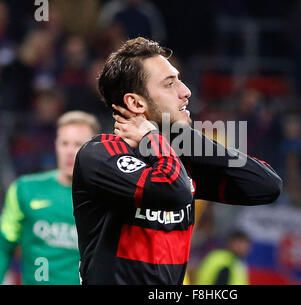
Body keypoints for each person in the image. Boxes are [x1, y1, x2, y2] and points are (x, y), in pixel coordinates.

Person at [72, 37, 283, 285]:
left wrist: (183, 136)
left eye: (179, 80)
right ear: (135, 103)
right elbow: (173, 189)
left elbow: (266, 186)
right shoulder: (100, 155)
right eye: (170, 84)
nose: (186, 91)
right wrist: (154, 137)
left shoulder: (178, 157)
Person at [0, 111, 100, 285]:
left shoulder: (107, 197)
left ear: (95, 149)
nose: (69, 151)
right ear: (56, 145)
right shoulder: (24, 190)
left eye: (78, 144)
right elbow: (3, 246)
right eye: (64, 143)